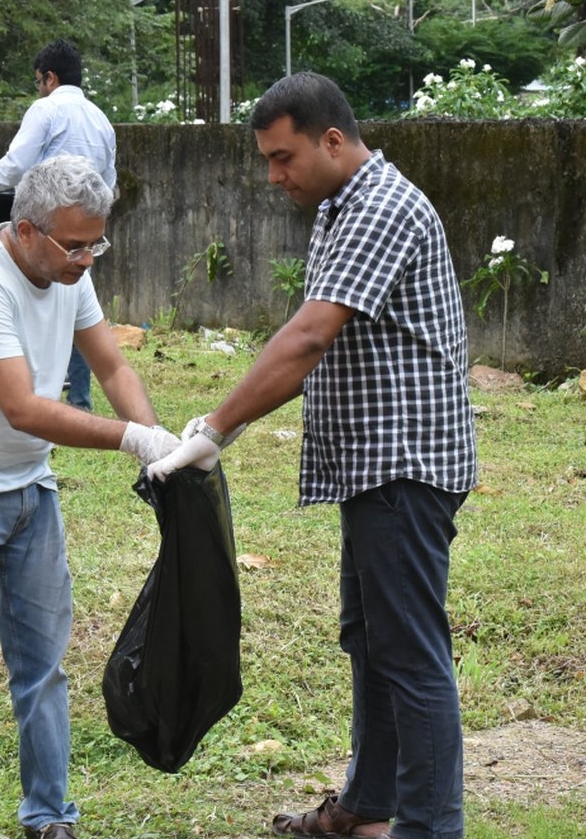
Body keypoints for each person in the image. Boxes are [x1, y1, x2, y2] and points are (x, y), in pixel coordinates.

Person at [147, 72, 478, 839]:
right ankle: (368, 805)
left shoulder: (381, 207)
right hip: (373, 464)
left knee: (411, 654)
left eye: (283, 156)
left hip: (405, 463)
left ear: (333, 140)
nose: (274, 176)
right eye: (267, 159)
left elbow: (307, 337)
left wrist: (216, 429)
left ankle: (431, 828)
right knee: (371, 640)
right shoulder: (339, 205)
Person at [0, 155, 179, 839]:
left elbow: (109, 362)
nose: (88, 258)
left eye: (96, 242)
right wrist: (132, 442)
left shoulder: (68, 274)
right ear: (26, 230)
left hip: (29, 491)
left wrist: (155, 432)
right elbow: (23, 408)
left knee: (42, 667)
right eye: (75, 244)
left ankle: (50, 816)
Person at [0, 39, 116, 412]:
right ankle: (78, 399)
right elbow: (108, 186)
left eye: (38, 80)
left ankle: (30, 394)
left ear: (49, 77)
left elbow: (16, 165)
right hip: (82, 237)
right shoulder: (101, 119)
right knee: (78, 311)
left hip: (48, 231)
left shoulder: (46, 110)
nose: (38, 87)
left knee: (25, 307)